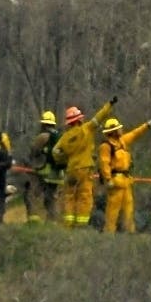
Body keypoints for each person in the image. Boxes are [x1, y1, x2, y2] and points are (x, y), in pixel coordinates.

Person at [51, 96, 116, 228]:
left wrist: (64, 160)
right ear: (79, 119)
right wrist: (109, 104)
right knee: (84, 197)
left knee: (69, 197)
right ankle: (81, 225)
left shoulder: (65, 137)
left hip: (71, 171)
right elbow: (99, 116)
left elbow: (55, 152)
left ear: (69, 122)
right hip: (85, 169)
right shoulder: (87, 128)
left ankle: (68, 225)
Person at [98, 115, 151, 233]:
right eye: (118, 128)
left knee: (129, 208)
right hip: (115, 182)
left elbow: (134, 134)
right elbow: (104, 163)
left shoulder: (122, 141)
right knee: (113, 210)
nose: (121, 130)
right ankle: (109, 233)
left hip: (126, 181)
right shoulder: (106, 146)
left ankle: (129, 231)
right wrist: (108, 180)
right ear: (113, 131)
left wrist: (147, 125)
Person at [23, 110, 63, 222]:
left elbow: (34, 151)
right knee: (51, 198)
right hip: (58, 174)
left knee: (32, 194)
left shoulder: (42, 137)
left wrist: (30, 163)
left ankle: (34, 219)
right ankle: (52, 220)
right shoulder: (59, 136)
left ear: (43, 124)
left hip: (44, 172)